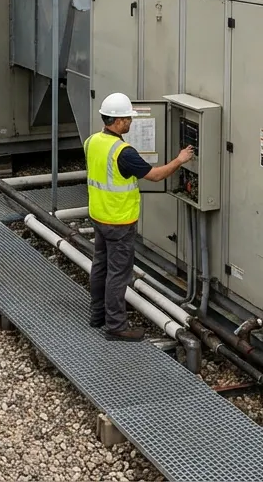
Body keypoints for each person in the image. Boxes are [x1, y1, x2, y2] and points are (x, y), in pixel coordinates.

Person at [87, 93, 194, 341]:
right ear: (116, 121)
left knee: (100, 267)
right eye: (127, 119)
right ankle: (116, 326)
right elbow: (155, 176)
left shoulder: (92, 141)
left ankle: (97, 315)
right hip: (119, 222)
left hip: (99, 216)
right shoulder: (123, 152)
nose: (130, 122)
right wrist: (180, 160)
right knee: (118, 274)